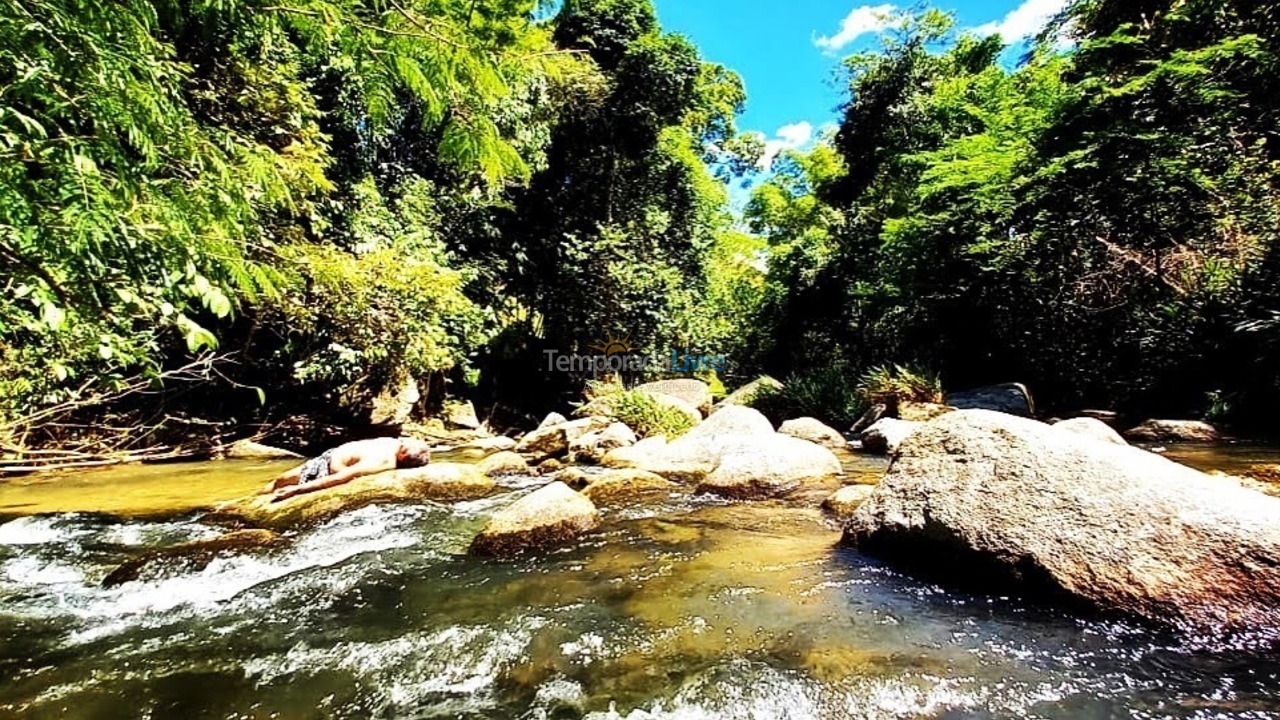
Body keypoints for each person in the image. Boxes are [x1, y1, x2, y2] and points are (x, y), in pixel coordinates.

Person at [264, 437, 433, 502]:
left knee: (281, 481)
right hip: (327, 457)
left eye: (415, 442)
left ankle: (256, 501)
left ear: (403, 455)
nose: (414, 439)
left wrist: (296, 490)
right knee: (278, 480)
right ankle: (258, 496)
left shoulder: (381, 461)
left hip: (324, 469)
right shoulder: (397, 444)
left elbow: (343, 477)